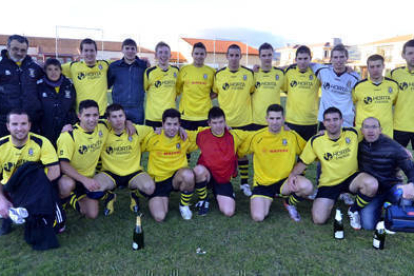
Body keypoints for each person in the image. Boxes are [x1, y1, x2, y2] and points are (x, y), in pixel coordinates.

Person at [289, 107, 378, 229]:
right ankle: (331, 200)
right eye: (328, 120)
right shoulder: (316, 141)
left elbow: (373, 132)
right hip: (329, 183)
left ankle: (354, 209)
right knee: (318, 219)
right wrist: (291, 177)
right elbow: (303, 163)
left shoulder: (353, 133)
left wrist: (400, 149)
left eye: (335, 119)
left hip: (351, 179)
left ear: (342, 121)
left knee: (371, 184)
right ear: (324, 123)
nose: (332, 123)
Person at [239, 104, 313, 222]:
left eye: (278, 118)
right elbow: (239, 150)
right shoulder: (257, 137)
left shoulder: (291, 136)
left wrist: (321, 139)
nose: (275, 122)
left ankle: (289, 202)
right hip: (263, 184)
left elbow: (309, 152)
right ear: (266, 119)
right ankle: (267, 198)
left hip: (285, 182)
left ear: (283, 119)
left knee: (307, 187)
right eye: (272, 118)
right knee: (258, 217)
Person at [0, 109, 60, 235]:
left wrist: (35, 192)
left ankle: (30, 211)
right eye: (15, 124)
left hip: (35, 188)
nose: (19, 128)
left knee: (57, 228)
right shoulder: (1, 146)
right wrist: (1, 200)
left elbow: (54, 171)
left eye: (23, 124)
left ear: (30, 125)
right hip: (10, 188)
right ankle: (7, 213)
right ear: (8, 126)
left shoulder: (41, 142)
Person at [94, 104, 155, 215]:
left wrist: (178, 128)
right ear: (108, 119)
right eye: (114, 117)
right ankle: (110, 196)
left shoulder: (136, 130)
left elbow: (155, 130)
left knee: (150, 188)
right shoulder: (102, 132)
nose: (118, 120)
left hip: (133, 172)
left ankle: (135, 195)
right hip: (109, 174)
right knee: (93, 189)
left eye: (121, 116)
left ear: (125, 117)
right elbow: (89, 122)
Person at [213, 44, 255, 197]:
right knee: (226, 155)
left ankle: (244, 183)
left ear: (241, 56)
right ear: (226, 56)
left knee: (242, 154)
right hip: (225, 124)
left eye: (237, 55)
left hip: (244, 121)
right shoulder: (218, 75)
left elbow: (253, 91)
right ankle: (227, 184)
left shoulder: (249, 74)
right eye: (231, 55)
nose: (234, 58)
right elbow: (214, 93)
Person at [141, 108, 197, 221]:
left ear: (179, 124)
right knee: (159, 217)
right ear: (163, 124)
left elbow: (207, 132)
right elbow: (132, 139)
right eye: (169, 124)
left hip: (176, 178)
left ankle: (184, 205)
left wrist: (225, 126)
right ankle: (159, 198)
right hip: (158, 181)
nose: (172, 128)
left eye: (175, 124)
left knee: (189, 175)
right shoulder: (152, 137)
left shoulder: (185, 136)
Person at [192, 107, 250, 217]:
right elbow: (182, 133)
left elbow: (255, 136)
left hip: (223, 179)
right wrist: (179, 130)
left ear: (225, 121)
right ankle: (203, 199)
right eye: (214, 123)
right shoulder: (201, 134)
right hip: (207, 175)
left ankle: (218, 192)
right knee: (198, 170)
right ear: (209, 123)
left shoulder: (234, 136)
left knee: (229, 212)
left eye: (221, 122)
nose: (218, 126)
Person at [358, 117, 414, 230]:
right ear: (362, 130)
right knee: (368, 226)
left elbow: (410, 169)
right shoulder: (357, 145)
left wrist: (412, 184)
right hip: (372, 191)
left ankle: (391, 207)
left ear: (380, 130)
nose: (370, 130)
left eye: (374, 127)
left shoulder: (394, 147)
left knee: (406, 203)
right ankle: (382, 208)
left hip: (393, 187)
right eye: (367, 127)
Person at [56, 100, 109, 219]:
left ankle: (72, 198)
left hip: (88, 178)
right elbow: (63, 165)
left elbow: (118, 121)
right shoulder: (69, 135)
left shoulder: (103, 127)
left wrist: (128, 123)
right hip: (70, 177)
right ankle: (60, 199)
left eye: (95, 115)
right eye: (87, 115)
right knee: (66, 185)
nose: (92, 119)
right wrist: (84, 180)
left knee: (92, 214)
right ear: (79, 116)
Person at [0, 35, 43, 136]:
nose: (19, 53)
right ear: (7, 47)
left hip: (31, 122)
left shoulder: (34, 67)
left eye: (23, 50)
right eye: (15, 49)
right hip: (6, 123)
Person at [313, 44, 360, 129]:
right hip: (326, 120)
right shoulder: (322, 71)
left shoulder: (355, 77)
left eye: (341, 57)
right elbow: (304, 63)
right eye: (335, 57)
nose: (338, 60)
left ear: (346, 58)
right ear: (331, 59)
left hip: (345, 121)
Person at [352, 54, 399, 138]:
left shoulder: (393, 85)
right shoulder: (359, 86)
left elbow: (396, 104)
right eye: (372, 67)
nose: (375, 70)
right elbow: (349, 104)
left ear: (383, 66)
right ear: (368, 68)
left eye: (378, 66)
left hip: (386, 132)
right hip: (364, 133)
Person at [62, 38, 110, 116]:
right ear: (81, 52)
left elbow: (123, 63)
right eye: (86, 50)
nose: (89, 53)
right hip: (82, 114)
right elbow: (52, 68)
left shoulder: (104, 65)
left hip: (101, 114)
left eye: (92, 50)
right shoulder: (73, 66)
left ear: (96, 52)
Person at [282, 45, 320, 141]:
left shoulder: (317, 73)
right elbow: (286, 89)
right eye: (300, 59)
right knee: (290, 153)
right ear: (296, 59)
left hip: (310, 122)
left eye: (305, 59)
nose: (302, 62)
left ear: (310, 59)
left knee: (308, 154)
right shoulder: (289, 72)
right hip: (292, 121)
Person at [108, 38, 148, 124]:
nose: (130, 51)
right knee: (119, 134)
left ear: (136, 51)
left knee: (137, 134)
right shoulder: (114, 66)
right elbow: (107, 84)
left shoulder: (143, 66)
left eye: (132, 48)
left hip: (137, 108)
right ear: (122, 50)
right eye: (127, 48)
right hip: (119, 108)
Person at [37, 58, 77, 146]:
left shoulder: (69, 86)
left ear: (60, 70)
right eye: (50, 69)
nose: (53, 72)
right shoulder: (39, 87)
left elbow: (73, 108)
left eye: (56, 69)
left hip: (65, 129)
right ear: (45, 71)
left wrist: (69, 123)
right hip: (45, 131)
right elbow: (37, 109)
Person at [176, 42, 215, 131]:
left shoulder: (211, 71)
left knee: (204, 144)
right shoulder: (183, 70)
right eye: (196, 53)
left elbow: (216, 91)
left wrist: (205, 98)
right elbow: (177, 90)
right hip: (186, 115)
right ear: (192, 54)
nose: (199, 56)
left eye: (202, 54)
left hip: (204, 115)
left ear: (205, 55)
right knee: (187, 143)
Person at [144, 42, 179, 128]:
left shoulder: (176, 71)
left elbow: (178, 90)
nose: (163, 55)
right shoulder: (149, 72)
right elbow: (145, 88)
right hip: (153, 117)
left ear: (170, 55)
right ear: (156, 55)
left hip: (170, 118)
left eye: (166, 52)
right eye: (160, 52)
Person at [252, 43, 285, 130]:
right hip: (257, 120)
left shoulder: (280, 74)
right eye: (264, 55)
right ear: (259, 56)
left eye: (269, 55)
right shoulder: (254, 74)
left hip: (275, 120)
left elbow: (289, 91)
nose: (267, 58)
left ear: (273, 55)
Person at [388, 39, 414, 147]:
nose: (413, 56)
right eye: (410, 53)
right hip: (399, 126)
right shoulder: (394, 74)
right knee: (396, 160)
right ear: (403, 55)